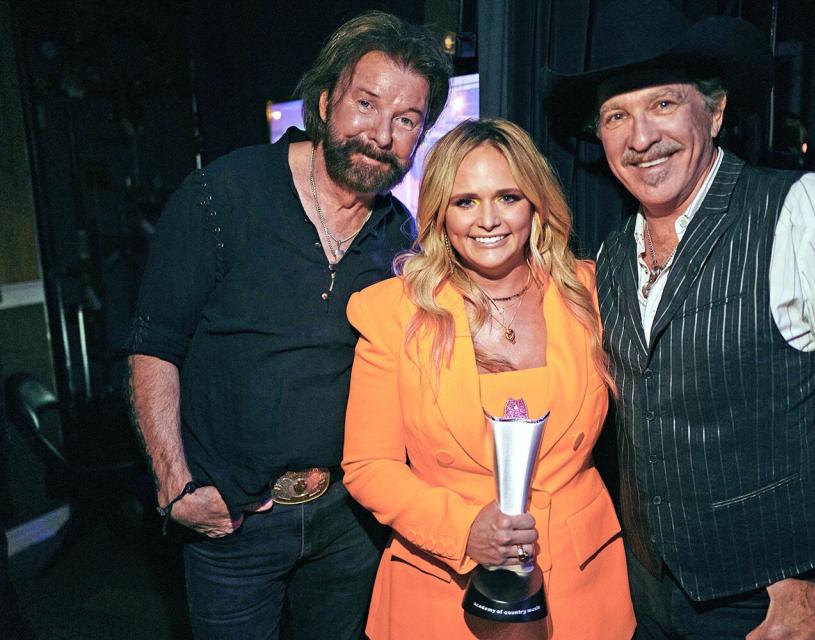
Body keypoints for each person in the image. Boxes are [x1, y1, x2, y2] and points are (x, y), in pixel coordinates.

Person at [541, 1, 815, 638]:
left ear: (717, 110)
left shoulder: (808, 213)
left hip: (771, 606)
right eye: (617, 115)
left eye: (664, 105)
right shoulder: (613, 253)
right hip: (644, 599)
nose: (640, 137)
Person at [126, 11, 451, 639]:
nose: (381, 134)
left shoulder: (398, 236)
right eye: (366, 103)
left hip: (349, 524)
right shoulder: (222, 195)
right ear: (326, 101)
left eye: (407, 120)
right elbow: (153, 346)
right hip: (235, 523)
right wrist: (177, 486)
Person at [341, 118, 636, 639]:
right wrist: (464, 530)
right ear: (439, 213)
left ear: (535, 204)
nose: (488, 220)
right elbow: (368, 466)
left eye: (507, 196)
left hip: (580, 586)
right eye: (465, 201)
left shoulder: (590, 293)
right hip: (441, 587)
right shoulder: (392, 312)